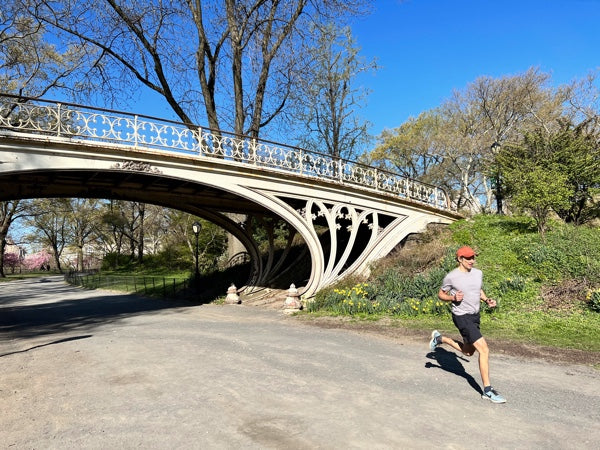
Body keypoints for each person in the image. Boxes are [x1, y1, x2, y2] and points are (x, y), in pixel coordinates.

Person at [429, 245, 506, 404]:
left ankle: (440, 339)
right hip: (461, 316)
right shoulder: (452, 277)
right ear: (460, 259)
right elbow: (441, 294)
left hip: (474, 316)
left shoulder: (478, 273)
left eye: (473, 257)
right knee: (484, 349)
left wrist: (486, 300)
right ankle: (488, 390)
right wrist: (452, 298)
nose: (472, 260)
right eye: (469, 258)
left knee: (468, 352)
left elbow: (478, 290)